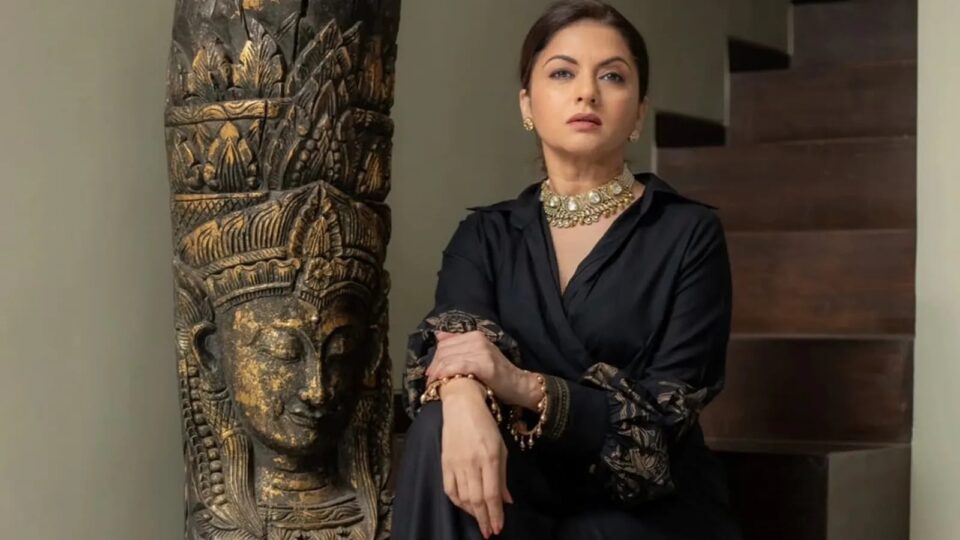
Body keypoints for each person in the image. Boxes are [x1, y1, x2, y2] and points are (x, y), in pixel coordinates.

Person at [392, 1, 742, 538]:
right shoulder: (486, 235)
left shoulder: (688, 234)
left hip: (641, 506)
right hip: (519, 489)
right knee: (440, 427)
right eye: (562, 73)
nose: (587, 93)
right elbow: (453, 344)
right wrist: (460, 396)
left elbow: (659, 427)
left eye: (612, 76)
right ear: (527, 104)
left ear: (639, 113)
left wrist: (522, 385)